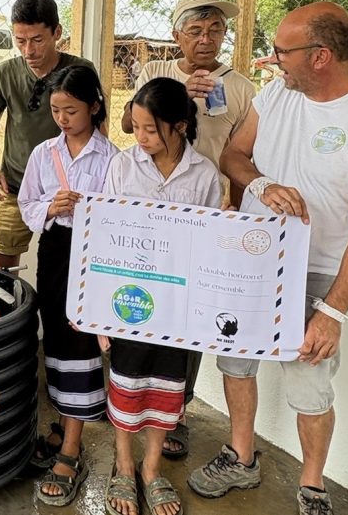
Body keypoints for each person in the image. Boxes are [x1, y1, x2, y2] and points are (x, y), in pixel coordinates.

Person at [189, 2, 348, 515]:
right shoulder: (277, 95)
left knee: (309, 383)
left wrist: (332, 312)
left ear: (320, 56)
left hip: (318, 271)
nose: (272, 61)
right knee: (235, 361)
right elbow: (233, 156)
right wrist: (262, 185)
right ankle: (240, 455)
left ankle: (312, 485)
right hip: (251, 258)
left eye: (281, 51)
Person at [120, 0, 256, 460]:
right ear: (177, 35)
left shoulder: (240, 88)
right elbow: (130, 124)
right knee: (141, 305)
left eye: (215, 30)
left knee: (189, 313)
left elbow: (242, 154)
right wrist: (178, 96)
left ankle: (176, 409)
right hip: (150, 210)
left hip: (204, 207)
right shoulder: (155, 71)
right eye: (195, 31)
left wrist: (235, 212)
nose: (205, 39)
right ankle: (130, 402)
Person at [101, 78, 221, 515]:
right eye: (135, 127)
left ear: (180, 126)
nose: (140, 137)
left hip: (177, 305)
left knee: (167, 387)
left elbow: (210, 242)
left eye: (150, 129)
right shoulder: (123, 166)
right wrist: (98, 312)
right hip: (129, 298)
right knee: (127, 380)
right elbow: (104, 235)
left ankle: (151, 469)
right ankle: (123, 464)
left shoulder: (204, 174)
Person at [17, 65, 118, 506]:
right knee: (56, 335)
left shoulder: (112, 158)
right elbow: (26, 203)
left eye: (71, 110)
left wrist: (93, 210)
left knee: (80, 340)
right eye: (56, 110)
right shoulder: (44, 153)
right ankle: (62, 421)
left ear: (94, 107)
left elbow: (121, 214)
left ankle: (72, 449)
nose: (62, 118)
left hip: (93, 256)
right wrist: (50, 207)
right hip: (56, 250)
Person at [0, 0, 96, 270]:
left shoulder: (80, 70)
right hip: (15, 186)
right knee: (3, 268)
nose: (28, 51)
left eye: (37, 40)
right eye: (20, 40)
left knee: (69, 266)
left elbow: (98, 129)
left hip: (70, 193)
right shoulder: (6, 72)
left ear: (57, 32)